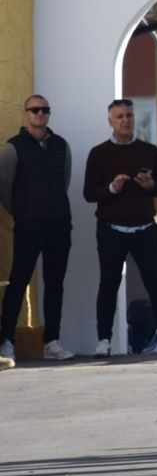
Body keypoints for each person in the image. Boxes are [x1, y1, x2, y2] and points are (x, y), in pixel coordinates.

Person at [81, 98, 157, 356]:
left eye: (129, 116)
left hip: (144, 228)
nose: (125, 120)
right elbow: (89, 193)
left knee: (155, 285)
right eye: (120, 117)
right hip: (111, 229)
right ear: (110, 122)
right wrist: (112, 188)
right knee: (109, 285)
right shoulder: (99, 153)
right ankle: (103, 340)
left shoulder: (149, 151)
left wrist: (150, 186)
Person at [0, 95, 76, 361]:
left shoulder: (60, 145)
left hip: (58, 225)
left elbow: (64, 180)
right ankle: (6, 340)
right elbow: (5, 188)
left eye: (44, 110)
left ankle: (51, 341)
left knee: (55, 284)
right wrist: (23, 212)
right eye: (34, 110)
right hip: (28, 225)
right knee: (18, 282)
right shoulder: (13, 148)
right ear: (26, 115)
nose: (39, 114)